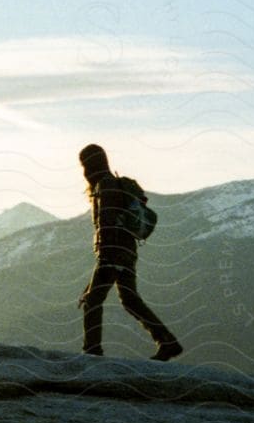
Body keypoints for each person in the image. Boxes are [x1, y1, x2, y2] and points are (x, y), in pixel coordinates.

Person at [78, 143, 183, 361]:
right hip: (127, 251)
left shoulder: (104, 187)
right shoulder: (115, 184)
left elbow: (106, 225)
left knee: (93, 300)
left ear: (89, 166)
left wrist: (105, 259)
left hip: (112, 251)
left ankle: (92, 352)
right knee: (129, 299)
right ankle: (167, 341)